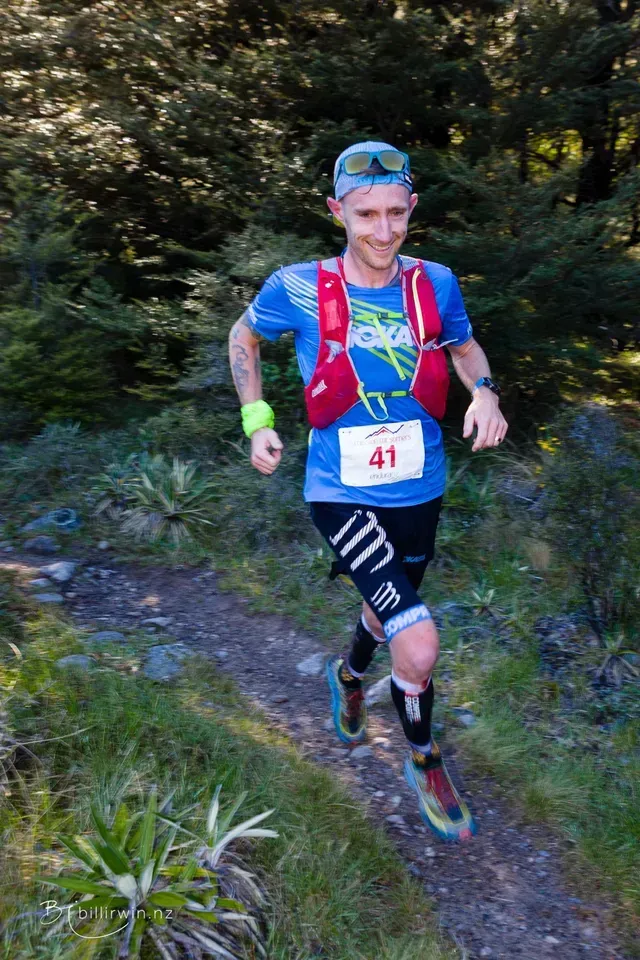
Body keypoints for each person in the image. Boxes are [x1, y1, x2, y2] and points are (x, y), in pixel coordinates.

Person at [228, 141, 508, 841]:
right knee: (418, 640)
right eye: (365, 215)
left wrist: (486, 392)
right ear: (337, 211)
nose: (383, 231)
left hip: (420, 484)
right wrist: (256, 419)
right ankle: (425, 758)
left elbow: (465, 347)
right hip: (339, 488)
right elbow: (244, 336)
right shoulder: (297, 287)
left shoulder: (436, 283)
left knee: (386, 612)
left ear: (411, 207)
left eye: (395, 213)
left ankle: (350, 677)